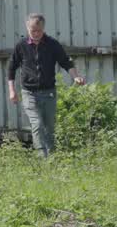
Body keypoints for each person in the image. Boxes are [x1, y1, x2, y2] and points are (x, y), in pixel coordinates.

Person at [7, 13, 86, 155]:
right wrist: (12, 91)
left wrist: (76, 77)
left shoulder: (52, 44)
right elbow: (11, 68)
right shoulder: (21, 46)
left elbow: (66, 62)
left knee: (49, 127)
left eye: (39, 30)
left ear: (43, 28)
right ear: (27, 28)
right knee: (36, 124)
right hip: (29, 92)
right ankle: (42, 157)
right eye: (33, 31)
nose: (36, 34)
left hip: (49, 92)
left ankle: (52, 156)